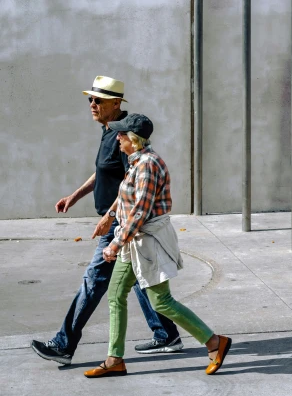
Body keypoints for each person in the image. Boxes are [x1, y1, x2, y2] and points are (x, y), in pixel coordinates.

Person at [31, 76, 182, 366]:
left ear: (116, 103)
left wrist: (110, 218)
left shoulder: (124, 135)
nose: (92, 104)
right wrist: (74, 196)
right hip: (114, 220)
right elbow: (102, 172)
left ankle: (64, 344)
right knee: (139, 279)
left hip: (118, 223)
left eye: (98, 100)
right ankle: (166, 334)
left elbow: (131, 182)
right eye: (90, 99)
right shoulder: (109, 130)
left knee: (93, 281)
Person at [84, 113, 232, 378]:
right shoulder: (136, 162)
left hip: (147, 242)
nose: (116, 137)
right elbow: (126, 200)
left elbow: (140, 211)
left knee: (161, 301)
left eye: (121, 134)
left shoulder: (148, 165)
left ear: (134, 139)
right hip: (134, 242)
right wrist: (111, 218)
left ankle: (214, 342)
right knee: (116, 295)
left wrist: (115, 245)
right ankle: (114, 359)